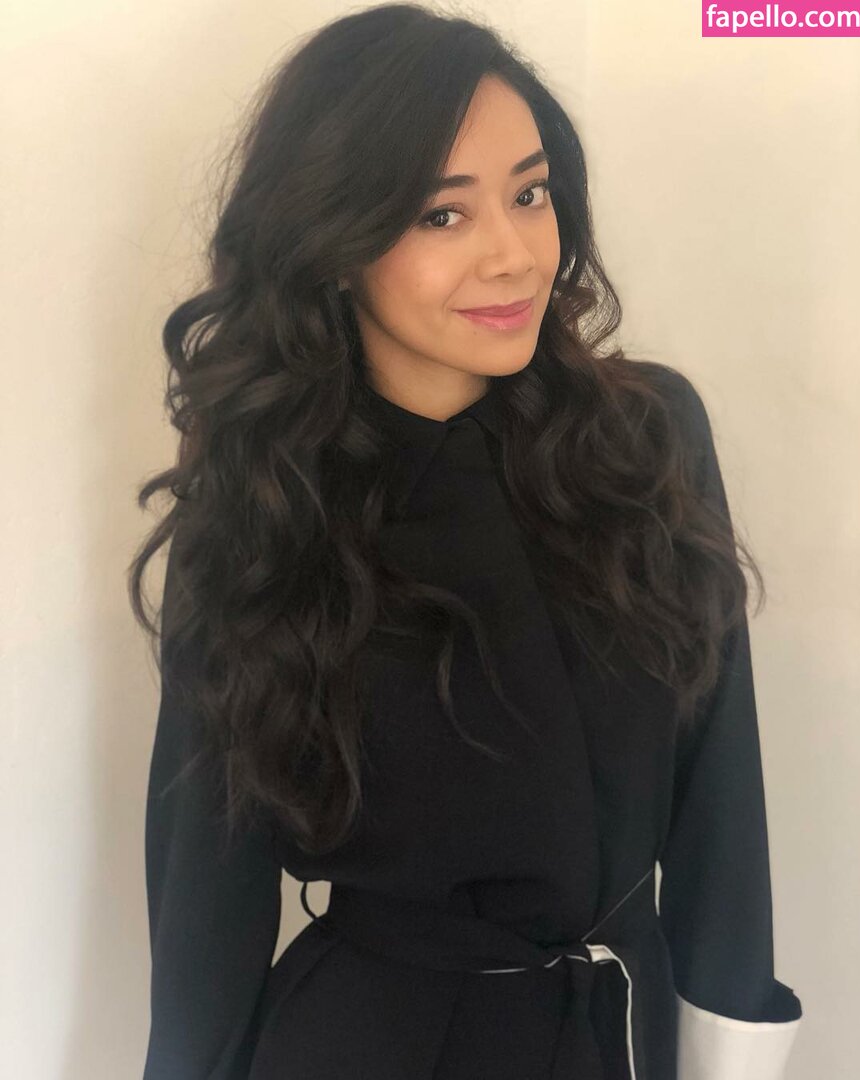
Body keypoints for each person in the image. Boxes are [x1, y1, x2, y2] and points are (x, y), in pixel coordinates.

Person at [130, 4, 804, 1077]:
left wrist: (732, 1047)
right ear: (335, 245)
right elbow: (208, 888)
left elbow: (722, 802)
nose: (515, 255)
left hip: (615, 1030)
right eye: (442, 215)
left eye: (530, 195)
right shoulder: (269, 504)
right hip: (367, 1043)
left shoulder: (644, 440)